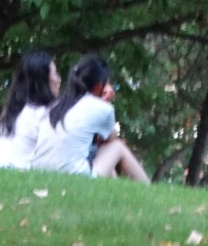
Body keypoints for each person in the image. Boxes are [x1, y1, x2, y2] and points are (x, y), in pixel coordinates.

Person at [29, 53, 150, 182]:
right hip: (73, 176)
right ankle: (148, 187)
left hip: (40, 172)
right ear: (99, 86)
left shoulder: (56, 106)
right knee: (117, 146)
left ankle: (115, 190)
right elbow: (110, 140)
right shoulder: (102, 108)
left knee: (98, 153)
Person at [0, 50, 61, 169]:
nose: (59, 79)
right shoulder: (44, 114)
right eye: (55, 73)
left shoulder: (13, 113)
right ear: (43, 80)